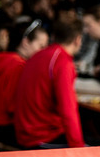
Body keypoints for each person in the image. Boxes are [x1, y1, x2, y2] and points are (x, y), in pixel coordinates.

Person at [13, 18, 85, 148]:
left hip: (25, 132)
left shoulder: (40, 55)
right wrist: (78, 148)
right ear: (78, 40)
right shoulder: (62, 62)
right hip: (41, 137)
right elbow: (68, 110)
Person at [0, 20, 49, 143]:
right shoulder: (19, 67)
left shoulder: (7, 59)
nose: (44, 51)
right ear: (26, 42)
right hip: (7, 128)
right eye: (41, 46)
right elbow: (13, 107)